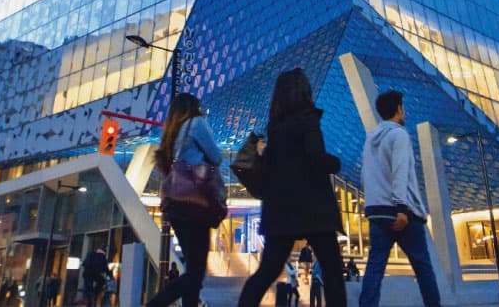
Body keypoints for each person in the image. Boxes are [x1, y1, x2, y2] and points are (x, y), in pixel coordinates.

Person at [237, 68, 346, 307]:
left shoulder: (274, 128)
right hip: (313, 208)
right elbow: (316, 158)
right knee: (333, 271)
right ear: (303, 91)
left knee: (267, 271)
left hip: (281, 210)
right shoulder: (308, 119)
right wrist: (335, 163)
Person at [359, 90, 442, 307]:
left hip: (376, 211)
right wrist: (401, 207)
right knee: (423, 268)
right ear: (398, 109)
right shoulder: (400, 135)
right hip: (401, 213)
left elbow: (365, 175)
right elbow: (400, 172)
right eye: (403, 107)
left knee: (375, 268)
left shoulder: (370, 140)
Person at [146, 93, 223, 307]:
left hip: (177, 207)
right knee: (196, 273)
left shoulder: (172, 132)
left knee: (192, 269)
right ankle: (155, 304)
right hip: (195, 204)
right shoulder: (197, 123)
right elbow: (217, 156)